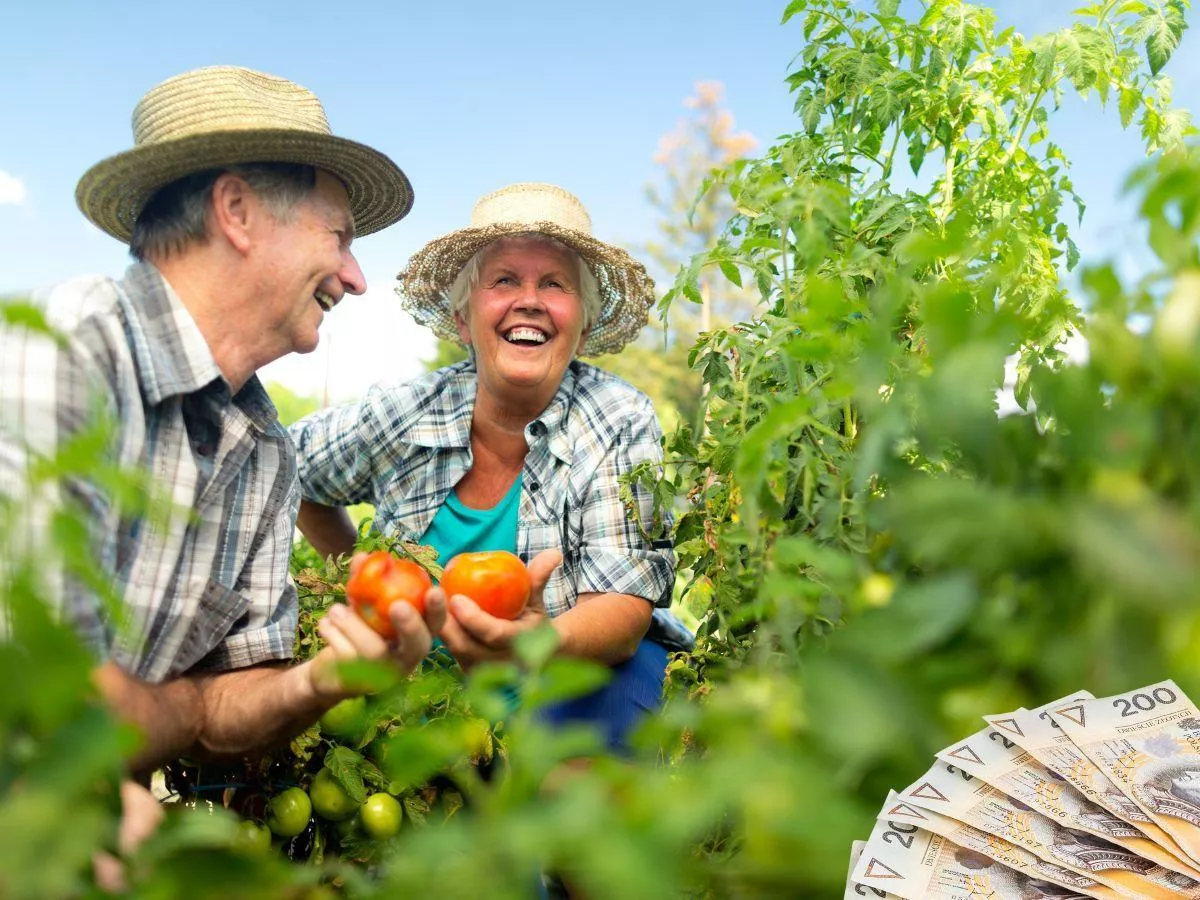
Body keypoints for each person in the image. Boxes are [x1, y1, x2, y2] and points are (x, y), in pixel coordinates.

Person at [0, 65, 444, 778]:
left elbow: (224, 706)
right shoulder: (64, 350)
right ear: (236, 211)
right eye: (339, 235)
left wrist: (320, 680)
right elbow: (43, 699)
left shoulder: (266, 453)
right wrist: (180, 710)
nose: (357, 276)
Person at [291, 182, 693, 753]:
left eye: (554, 284)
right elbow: (291, 465)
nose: (529, 300)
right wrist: (358, 574)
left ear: (582, 323)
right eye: (504, 279)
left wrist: (538, 642)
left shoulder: (616, 417)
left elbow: (622, 607)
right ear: (463, 319)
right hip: (428, 703)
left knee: (605, 717)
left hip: (568, 676)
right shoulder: (407, 412)